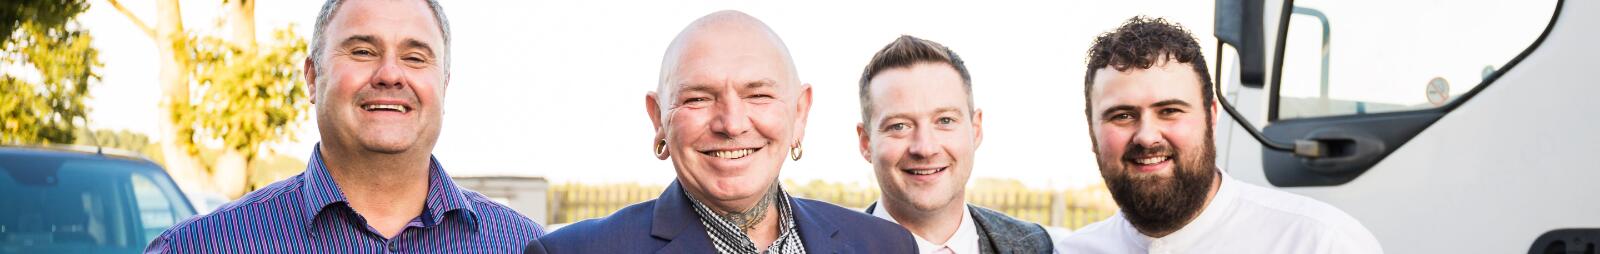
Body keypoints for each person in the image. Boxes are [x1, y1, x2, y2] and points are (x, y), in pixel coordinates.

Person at [144, 0, 544, 252]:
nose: (390, 74)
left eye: (415, 57)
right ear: (312, 78)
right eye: (363, 51)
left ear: (444, 85)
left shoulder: (522, 245)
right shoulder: (201, 247)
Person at [527, 10, 917, 254]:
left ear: (800, 112)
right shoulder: (572, 252)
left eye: (758, 95)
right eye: (698, 98)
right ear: (658, 118)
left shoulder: (886, 245)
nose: (731, 124)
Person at [1056, 16, 1382, 253]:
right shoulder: (1073, 251)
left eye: (1169, 110)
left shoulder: (1318, 242)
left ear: (1211, 117)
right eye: (1122, 116)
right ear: (1091, 129)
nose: (1147, 136)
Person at [855, 35, 1053, 254]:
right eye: (899, 126)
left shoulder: (1036, 246)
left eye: (945, 121)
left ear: (975, 129)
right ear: (866, 142)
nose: (925, 148)